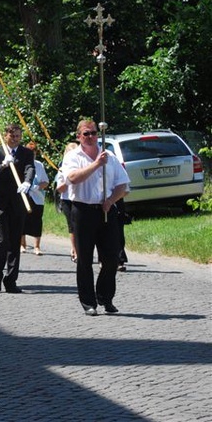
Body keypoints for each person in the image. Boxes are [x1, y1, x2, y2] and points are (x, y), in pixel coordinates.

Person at [62, 119, 130, 316]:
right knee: (84, 259)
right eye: (86, 134)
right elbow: (73, 178)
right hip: (83, 211)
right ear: (79, 136)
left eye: (93, 133)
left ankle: (105, 297)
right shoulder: (73, 157)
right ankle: (88, 302)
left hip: (107, 210)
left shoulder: (109, 156)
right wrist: (96, 164)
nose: (91, 137)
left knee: (111, 257)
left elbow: (123, 185)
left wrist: (111, 200)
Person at [0, 123, 34, 293]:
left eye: (18, 136)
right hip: (0, 204)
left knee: (14, 243)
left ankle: (11, 280)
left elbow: (30, 168)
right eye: (12, 136)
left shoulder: (26, 153)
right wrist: (2, 165)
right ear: (6, 136)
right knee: (2, 241)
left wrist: (27, 181)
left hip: (18, 203)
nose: (15, 139)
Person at [21, 142, 50, 255]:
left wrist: (38, 186)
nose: (31, 156)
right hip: (24, 196)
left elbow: (46, 182)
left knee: (37, 221)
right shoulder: (21, 163)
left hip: (37, 197)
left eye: (33, 153)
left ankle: (36, 247)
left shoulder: (39, 165)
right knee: (23, 220)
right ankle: (22, 245)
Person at [55, 142, 79, 262]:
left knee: (82, 226)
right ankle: (75, 250)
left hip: (80, 199)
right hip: (67, 200)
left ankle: (82, 249)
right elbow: (60, 188)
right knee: (72, 226)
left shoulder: (82, 166)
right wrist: (70, 180)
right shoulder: (62, 169)